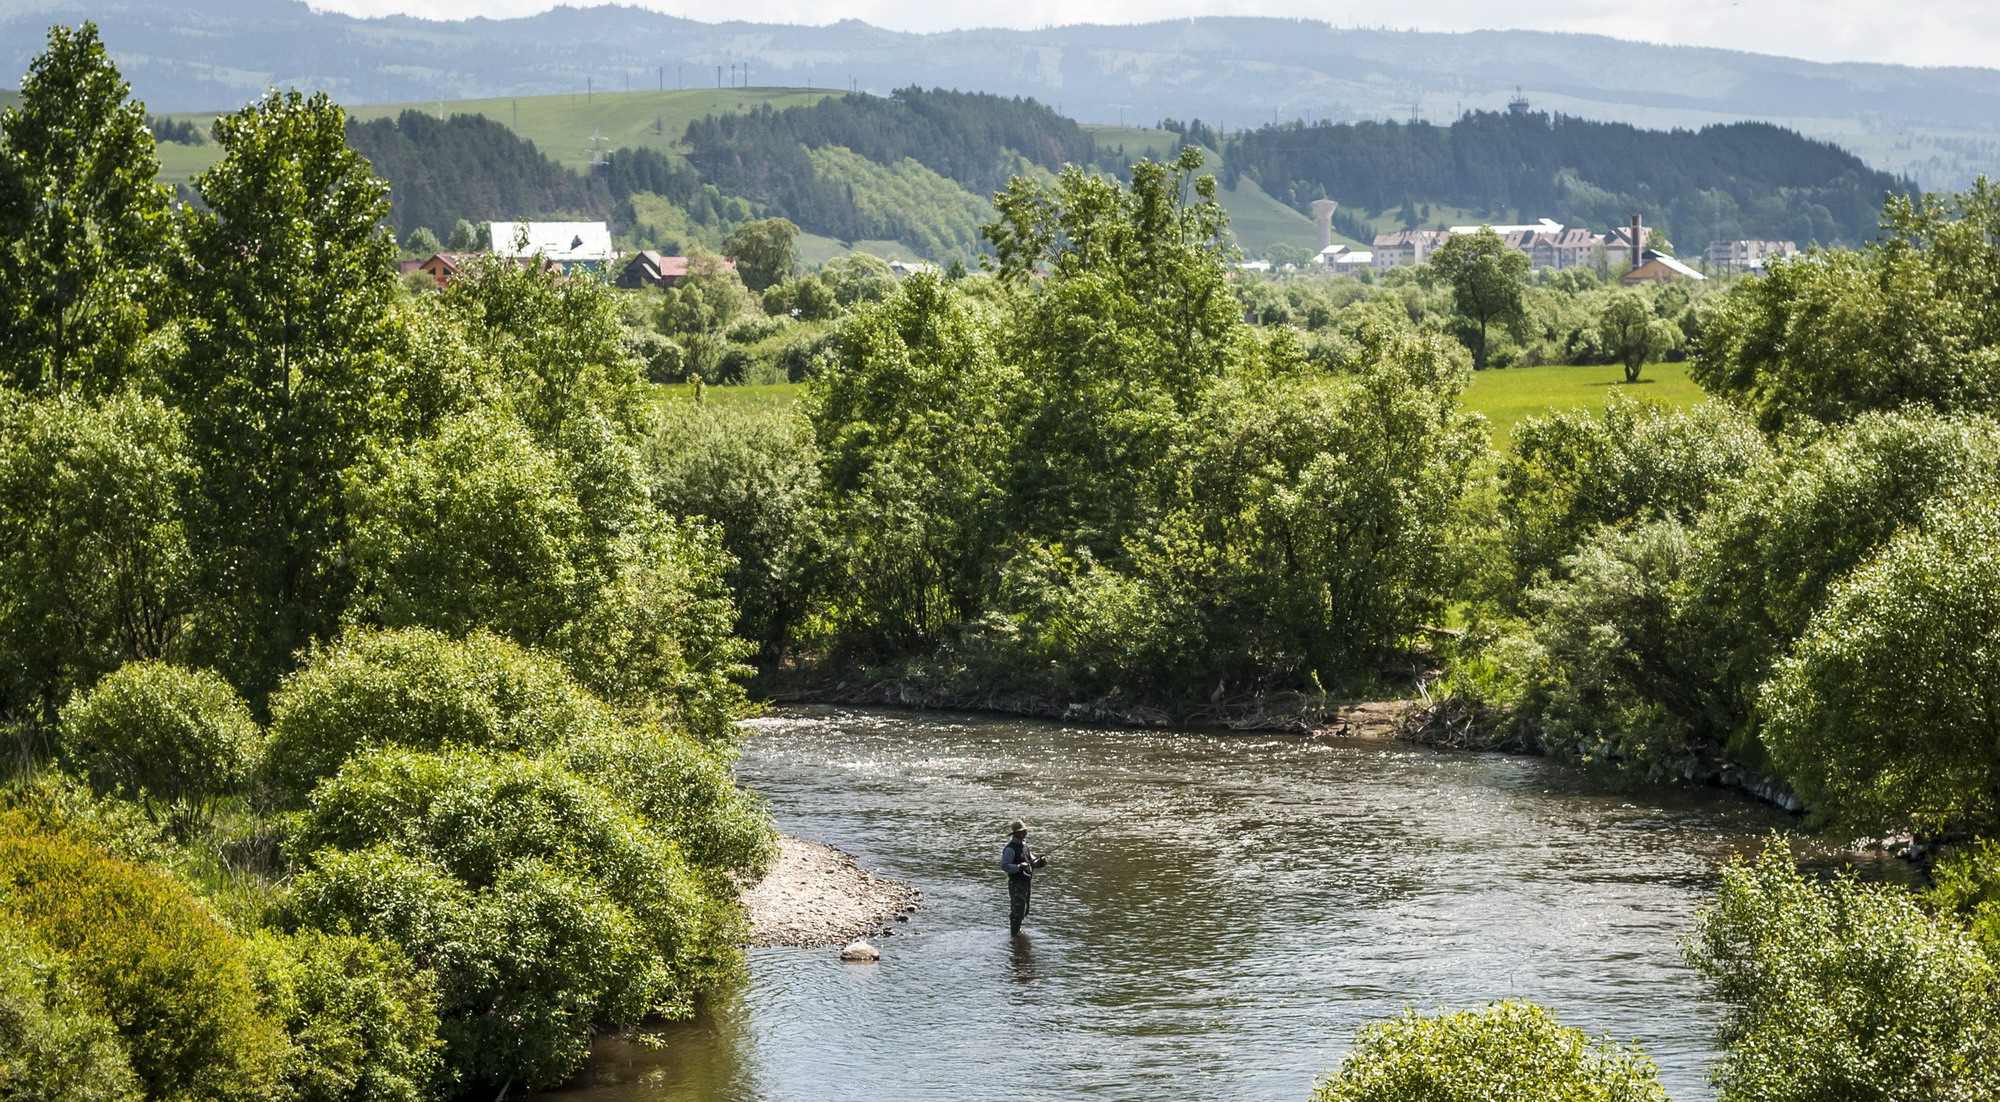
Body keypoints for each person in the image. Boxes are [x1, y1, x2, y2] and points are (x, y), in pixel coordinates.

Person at [1000, 819, 1048, 935]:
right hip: (1016, 884)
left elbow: (1032, 862)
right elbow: (1005, 866)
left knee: (1024, 911)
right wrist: (1019, 867)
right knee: (1017, 912)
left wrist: (1041, 863)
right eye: (1023, 831)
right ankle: (1014, 935)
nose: (1025, 833)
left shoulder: (1025, 846)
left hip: (1026, 883)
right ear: (1016, 833)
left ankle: (1016, 935)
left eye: (1025, 831)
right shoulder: (1010, 848)